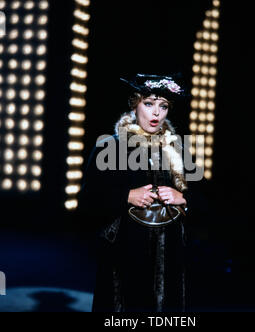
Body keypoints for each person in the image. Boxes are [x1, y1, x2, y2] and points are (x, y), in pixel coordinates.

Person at [78, 73, 194, 312]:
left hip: (169, 254)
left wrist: (183, 198)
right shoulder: (109, 145)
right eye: (149, 103)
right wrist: (126, 197)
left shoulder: (179, 150)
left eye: (163, 106)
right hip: (125, 252)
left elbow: (207, 202)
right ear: (134, 104)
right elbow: (87, 201)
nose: (156, 113)